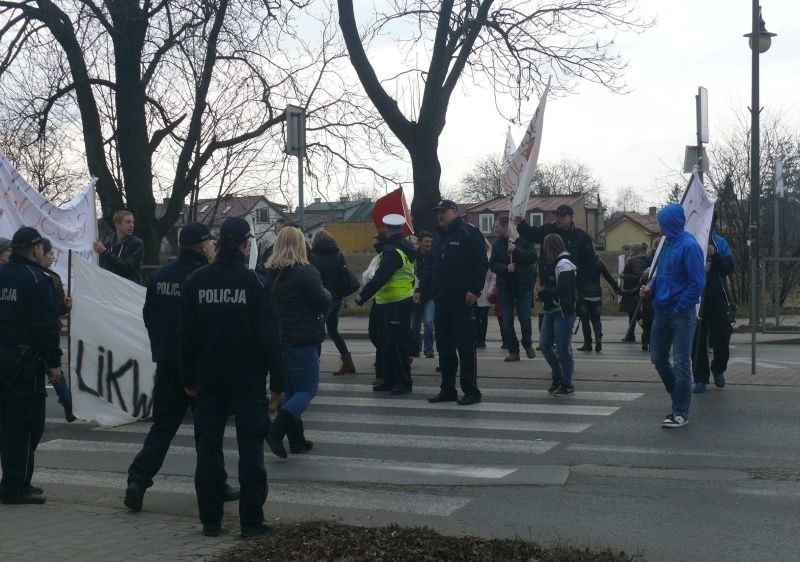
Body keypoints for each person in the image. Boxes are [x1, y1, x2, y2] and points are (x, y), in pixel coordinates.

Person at [180, 217, 285, 537]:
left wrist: (189, 377)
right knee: (250, 448)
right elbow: (270, 337)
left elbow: (186, 335)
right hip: (248, 377)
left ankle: (210, 520)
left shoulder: (197, 281)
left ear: (219, 242)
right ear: (244, 244)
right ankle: (251, 520)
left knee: (208, 447)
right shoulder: (254, 283)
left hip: (209, 376)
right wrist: (279, 383)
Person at [125, 223, 238, 513]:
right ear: (203, 246)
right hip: (199, 366)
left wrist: (162, 346)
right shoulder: (203, 277)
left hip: (167, 362)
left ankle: (138, 480)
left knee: (163, 427)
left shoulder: (160, 275)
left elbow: (148, 315)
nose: (213, 247)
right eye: (210, 243)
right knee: (208, 431)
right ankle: (216, 484)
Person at [0, 227, 62, 505]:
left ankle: (16, 480)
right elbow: (46, 327)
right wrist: (54, 363)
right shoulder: (37, 280)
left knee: (7, 422)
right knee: (26, 425)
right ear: (36, 249)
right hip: (25, 362)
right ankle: (15, 485)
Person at [266, 226, 331, 457]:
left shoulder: (271, 272)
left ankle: (296, 440)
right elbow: (321, 301)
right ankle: (276, 431)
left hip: (280, 338)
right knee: (307, 389)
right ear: (300, 243)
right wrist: (328, 294)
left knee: (292, 390)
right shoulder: (306, 271)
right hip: (302, 338)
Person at [639, 204, 705, 428]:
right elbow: (661, 275)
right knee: (657, 358)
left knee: (681, 363)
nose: (659, 226)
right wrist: (651, 289)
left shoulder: (689, 246)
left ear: (672, 222)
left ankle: (680, 412)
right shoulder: (666, 244)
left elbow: (697, 282)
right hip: (661, 309)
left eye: (662, 222)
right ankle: (678, 393)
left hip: (681, 313)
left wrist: (681, 305)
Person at [416, 200, 488, 406]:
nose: (440, 215)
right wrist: (421, 290)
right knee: (445, 347)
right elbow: (430, 268)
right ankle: (447, 389)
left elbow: (480, 262)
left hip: (462, 299)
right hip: (442, 299)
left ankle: (471, 390)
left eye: (444, 211)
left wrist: (475, 289)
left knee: (465, 347)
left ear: (455, 212)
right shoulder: (438, 238)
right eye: (438, 212)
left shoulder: (469, 233)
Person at [356, 214, 417, 395]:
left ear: (386, 229)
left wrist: (363, 296)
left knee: (397, 345)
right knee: (388, 343)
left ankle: (404, 382)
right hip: (396, 301)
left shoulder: (392, 251)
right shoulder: (404, 248)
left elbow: (381, 277)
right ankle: (390, 379)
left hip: (396, 302)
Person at [692, 214, 734, 393]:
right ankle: (700, 378)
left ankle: (718, 370)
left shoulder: (720, 242)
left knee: (722, 336)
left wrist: (715, 256)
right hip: (696, 297)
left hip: (717, 296)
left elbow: (729, 267)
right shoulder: (691, 242)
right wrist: (700, 266)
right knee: (698, 339)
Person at [490, 216, 537, 361]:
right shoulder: (497, 244)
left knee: (524, 319)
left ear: (505, 227)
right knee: (506, 321)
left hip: (523, 287)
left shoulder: (524, 239)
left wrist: (516, 250)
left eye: (497, 226)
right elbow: (492, 264)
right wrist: (505, 268)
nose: (494, 230)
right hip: (506, 288)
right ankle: (513, 350)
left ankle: (527, 342)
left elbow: (532, 257)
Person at [513, 204, 596, 286]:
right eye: (557, 215)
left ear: (571, 217)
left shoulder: (581, 236)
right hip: (548, 282)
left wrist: (580, 280)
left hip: (571, 284)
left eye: (562, 216)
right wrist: (521, 224)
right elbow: (531, 233)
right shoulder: (548, 229)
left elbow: (589, 261)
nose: (558, 219)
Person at [39, 239, 76, 422]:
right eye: (50, 253)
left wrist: (65, 306)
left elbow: (57, 308)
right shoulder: (45, 278)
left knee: (55, 373)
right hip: (46, 331)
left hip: (47, 330)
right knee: (54, 372)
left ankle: (67, 402)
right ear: (40, 254)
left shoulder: (53, 278)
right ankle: (67, 402)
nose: (53, 257)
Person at [536, 234, 578, 396]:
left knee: (563, 348)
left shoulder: (564, 263)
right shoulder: (551, 263)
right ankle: (558, 374)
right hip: (552, 309)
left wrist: (544, 294)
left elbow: (564, 288)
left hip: (563, 311)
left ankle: (567, 383)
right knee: (545, 345)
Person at [311, 230, 356, 375]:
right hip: (336, 298)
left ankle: (313, 367)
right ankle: (348, 362)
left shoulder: (314, 257)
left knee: (317, 332)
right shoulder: (338, 255)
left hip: (323, 299)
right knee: (333, 331)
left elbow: (315, 280)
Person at [576, 254, 622, 352]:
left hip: (584, 295)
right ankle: (598, 338)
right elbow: (608, 277)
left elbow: (575, 279)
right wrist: (617, 289)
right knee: (596, 319)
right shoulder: (599, 263)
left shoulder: (580, 263)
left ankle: (587, 344)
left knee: (585, 321)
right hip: (597, 294)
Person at [94, 209, 144, 284]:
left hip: (129, 290)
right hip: (110, 289)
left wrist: (105, 252)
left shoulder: (136, 244)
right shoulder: (107, 244)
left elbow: (126, 268)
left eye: (132, 222)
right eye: (127, 222)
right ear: (117, 224)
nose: (132, 225)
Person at [411, 231, 435, 358]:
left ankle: (428, 349)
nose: (429, 244)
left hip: (429, 296)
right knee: (414, 325)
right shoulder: (413, 257)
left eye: (430, 241)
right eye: (426, 241)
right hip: (414, 296)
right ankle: (416, 348)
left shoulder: (434, 257)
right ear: (419, 243)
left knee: (429, 322)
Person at [619, 242, 648, 342]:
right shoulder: (638, 260)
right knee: (632, 314)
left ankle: (647, 330)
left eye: (630, 249)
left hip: (632, 291)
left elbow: (638, 276)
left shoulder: (634, 261)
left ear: (634, 251)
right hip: (634, 291)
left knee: (635, 314)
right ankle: (630, 335)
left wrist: (624, 276)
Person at [475, 239, 496, 349]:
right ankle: (476, 338)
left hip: (486, 289)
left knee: (483, 316)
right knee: (476, 317)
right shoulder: (474, 258)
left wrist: (491, 290)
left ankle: (482, 340)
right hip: (476, 291)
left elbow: (493, 276)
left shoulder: (489, 259)